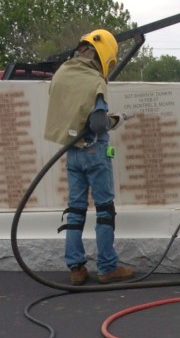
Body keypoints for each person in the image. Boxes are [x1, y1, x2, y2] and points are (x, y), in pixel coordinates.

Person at [44, 28, 134, 285]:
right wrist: (115, 120)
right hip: (95, 151)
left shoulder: (61, 73)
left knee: (75, 210)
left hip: (72, 152)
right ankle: (107, 267)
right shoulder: (95, 80)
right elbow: (96, 123)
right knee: (105, 209)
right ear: (103, 55)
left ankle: (76, 269)